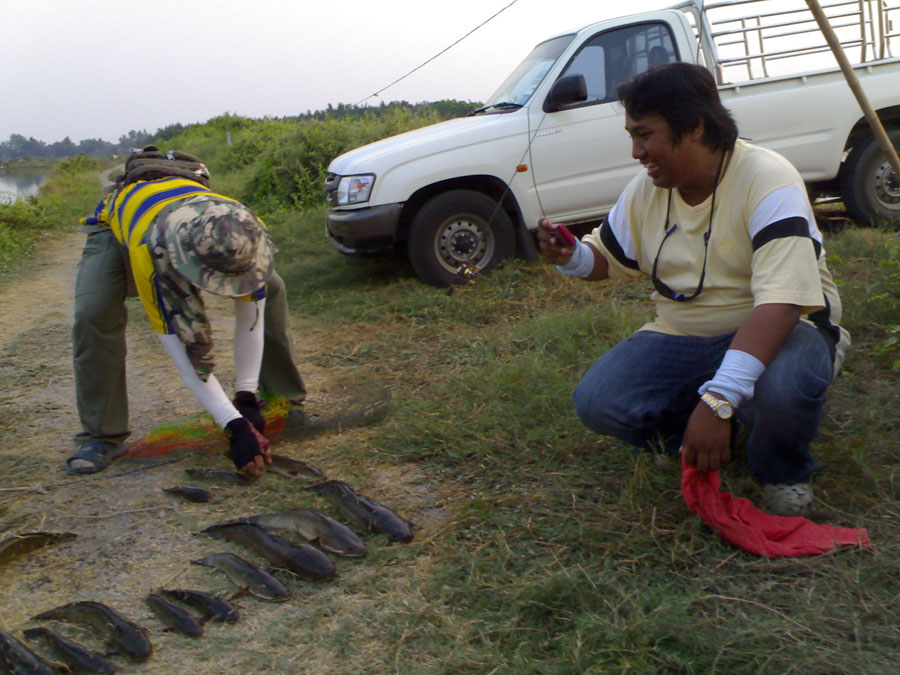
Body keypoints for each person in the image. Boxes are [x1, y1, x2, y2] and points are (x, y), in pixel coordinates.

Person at [537, 63, 850, 516]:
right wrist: (571, 257)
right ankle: (725, 434)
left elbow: (782, 306)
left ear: (695, 128)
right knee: (598, 401)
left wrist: (720, 399)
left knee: (782, 386)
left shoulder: (768, 179)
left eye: (644, 135)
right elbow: (607, 259)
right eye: (631, 136)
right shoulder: (647, 189)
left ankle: (783, 469)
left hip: (784, 328)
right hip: (684, 335)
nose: (635, 151)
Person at [70, 147, 308, 476]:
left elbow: (250, 319)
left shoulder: (245, 230)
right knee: (94, 312)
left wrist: (246, 397)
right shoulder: (150, 256)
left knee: (274, 288)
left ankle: (281, 400)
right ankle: (102, 435)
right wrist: (234, 426)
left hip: (195, 217)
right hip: (119, 226)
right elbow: (186, 353)